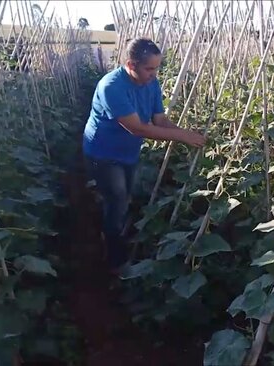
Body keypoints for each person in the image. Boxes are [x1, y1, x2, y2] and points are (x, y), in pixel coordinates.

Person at [82, 37, 206, 273]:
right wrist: (182, 137)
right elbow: (137, 128)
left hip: (128, 150)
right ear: (131, 64)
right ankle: (115, 257)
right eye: (149, 68)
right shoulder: (112, 87)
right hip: (103, 151)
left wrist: (187, 133)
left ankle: (113, 227)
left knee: (125, 195)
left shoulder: (151, 83)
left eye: (157, 67)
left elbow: (159, 120)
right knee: (117, 198)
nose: (154, 73)